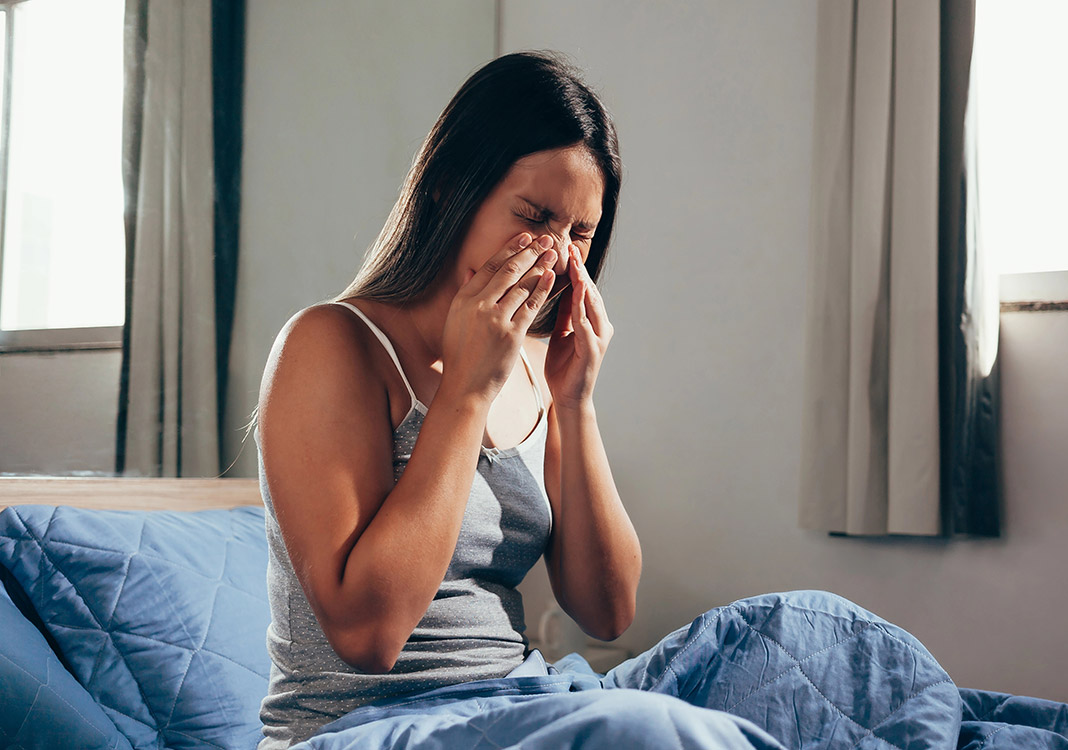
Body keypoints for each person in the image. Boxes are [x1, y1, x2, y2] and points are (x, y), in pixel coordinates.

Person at [253, 51, 958, 750]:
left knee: (818, 645)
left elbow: (606, 610)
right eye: (535, 215)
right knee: (644, 729)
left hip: (522, 700)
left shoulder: (529, 363)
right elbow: (367, 635)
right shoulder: (333, 344)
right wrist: (467, 394)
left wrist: (574, 402)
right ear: (447, 186)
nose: (558, 256)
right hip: (369, 729)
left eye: (579, 234)